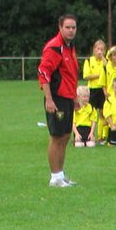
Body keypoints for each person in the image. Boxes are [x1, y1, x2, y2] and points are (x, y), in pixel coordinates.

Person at [39, 14, 79, 187]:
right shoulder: (54, 48)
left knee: (65, 136)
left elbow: (70, 74)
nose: (71, 31)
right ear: (60, 27)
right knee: (57, 137)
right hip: (57, 98)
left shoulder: (69, 47)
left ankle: (60, 175)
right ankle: (54, 177)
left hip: (68, 97)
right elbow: (43, 73)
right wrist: (49, 99)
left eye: (73, 28)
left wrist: (75, 96)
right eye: (67, 27)